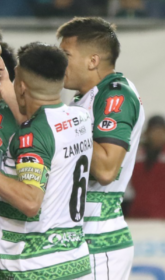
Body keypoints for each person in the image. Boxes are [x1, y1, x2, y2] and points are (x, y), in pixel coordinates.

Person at [0, 42, 93, 279]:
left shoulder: (31, 136)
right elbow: (42, 122)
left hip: (32, 265)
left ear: (20, 87)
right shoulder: (80, 117)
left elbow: (30, 201)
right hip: (74, 259)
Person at [57, 17, 145, 279]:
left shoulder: (115, 94)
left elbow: (106, 168)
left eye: (66, 55)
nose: (60, 63)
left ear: (92, 60)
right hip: (78, 238)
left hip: (100, 243)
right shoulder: (84, 98)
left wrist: (67, 122)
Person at [129, 115, 165, 218]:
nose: (157, 135)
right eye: (154, 131)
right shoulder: (137, 154)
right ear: (147, 133)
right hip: (138, 213)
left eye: (161, 131)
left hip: (162, 215)